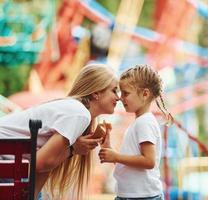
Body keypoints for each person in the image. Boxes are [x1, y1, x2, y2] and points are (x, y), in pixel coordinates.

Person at [0, 63, 119, 200]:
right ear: (96, 93)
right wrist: (73, 150)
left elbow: (43, 168)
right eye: (114, 90)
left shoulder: (75, 112)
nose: (119, 97)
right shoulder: (79, 114)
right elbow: (40, 164)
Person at [99, 65, 173, 200]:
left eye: (125, 93)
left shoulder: (144, 123)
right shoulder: (139, 123)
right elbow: (131, 162)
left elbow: (149, 161)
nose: (121, 98)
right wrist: (108, 148)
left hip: (142, 196)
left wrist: (116, 157)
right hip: (132, 195)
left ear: (145, 94)